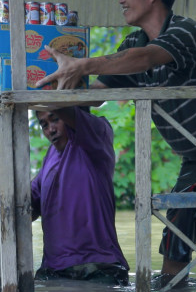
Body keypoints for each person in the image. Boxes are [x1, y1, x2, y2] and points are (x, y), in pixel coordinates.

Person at [37, 0, 196, 291]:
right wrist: (47, 89)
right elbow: (95, 95)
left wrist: (84, 64)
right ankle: (171, 285)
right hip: (195, 156)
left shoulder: (186, 31)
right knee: (176, 234)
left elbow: (146, 58)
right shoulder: (134, 42)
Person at [31, 106, 129, 285]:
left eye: (55, 119)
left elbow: (67, 109)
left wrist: (42, 91)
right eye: (44, 124)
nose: (51, 130)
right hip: (54, 269)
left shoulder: (97, 135)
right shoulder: (50, 157)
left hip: (98, 267)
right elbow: (30, 205)